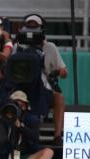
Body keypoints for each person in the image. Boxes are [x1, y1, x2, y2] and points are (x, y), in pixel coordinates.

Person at [24, 14, 68, 145]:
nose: (32, 30)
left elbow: (64, 72)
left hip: (46, 90)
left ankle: (57, 137)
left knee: (59, 98)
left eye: (35, 27)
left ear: (42, 29)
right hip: (25, 90)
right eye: (29, 27)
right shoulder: (20, 47)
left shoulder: (50, 47)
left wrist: (61, 71)